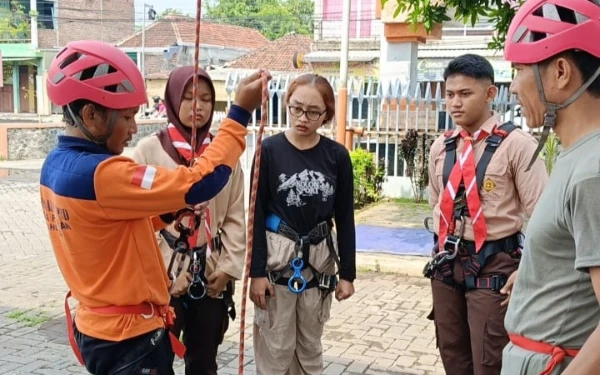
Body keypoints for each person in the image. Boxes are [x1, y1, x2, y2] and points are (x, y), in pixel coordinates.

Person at [39, 40, 269, 375]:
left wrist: (167, 212)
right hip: (130, 338)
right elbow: (202, 183)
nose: (134, 129)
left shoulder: (54, 167)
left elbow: (110, 228)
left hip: (96, 328)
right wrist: (239, 114)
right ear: (91, 115)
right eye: (128, 117)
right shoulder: (105, 175)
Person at [424, 53, 548, 375]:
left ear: (490, 94)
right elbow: (438, 203)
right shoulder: (442, 147)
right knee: (452, 355)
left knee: (488, 361)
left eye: (465, 94)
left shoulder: (517, 145)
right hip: (447, 265)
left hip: (495, 266)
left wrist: (528, 271)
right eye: (450, 94)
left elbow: (544, 217)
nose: (455, 103)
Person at [500, 0, 600, 374]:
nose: (511, 86)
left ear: (560, 72)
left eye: (520, 69)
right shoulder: (577, 155)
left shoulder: (593, 171)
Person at [132, 66, 246, 375]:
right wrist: (164, 280)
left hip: (210, 273)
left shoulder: (224, 156)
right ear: (171, 99)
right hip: (164, 274)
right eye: (188, 97)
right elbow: (137, 223)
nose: (198, 106)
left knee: (204, 361)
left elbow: (236, 216)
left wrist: (227, 269)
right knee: (156, 360)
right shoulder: (148, 151)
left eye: (207, 99)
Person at [248, 73, 356, 375]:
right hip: (276, 263)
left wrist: (347, 273)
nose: (303, 118)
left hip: (317, 266)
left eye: (313, 112)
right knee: (276, 346)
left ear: (326, 114)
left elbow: (345, 218)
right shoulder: (269, 150)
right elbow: (254, 215)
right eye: (296, 108)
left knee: (309, 348)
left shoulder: (336, 156)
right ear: (286, 104)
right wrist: (256, 272)